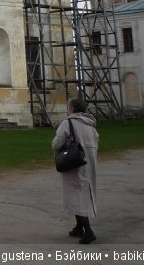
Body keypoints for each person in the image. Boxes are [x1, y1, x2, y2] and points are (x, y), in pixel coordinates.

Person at [52, 97, 99, 244]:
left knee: (78, 196)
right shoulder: (90, 124)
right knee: (80, 194)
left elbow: (57, 143)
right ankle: (79, 227)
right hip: (89, 162)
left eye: (68, 107)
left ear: (72, 109)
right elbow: (96, 140)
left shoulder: (68, 123)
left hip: (74, 163)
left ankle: (88, 231)